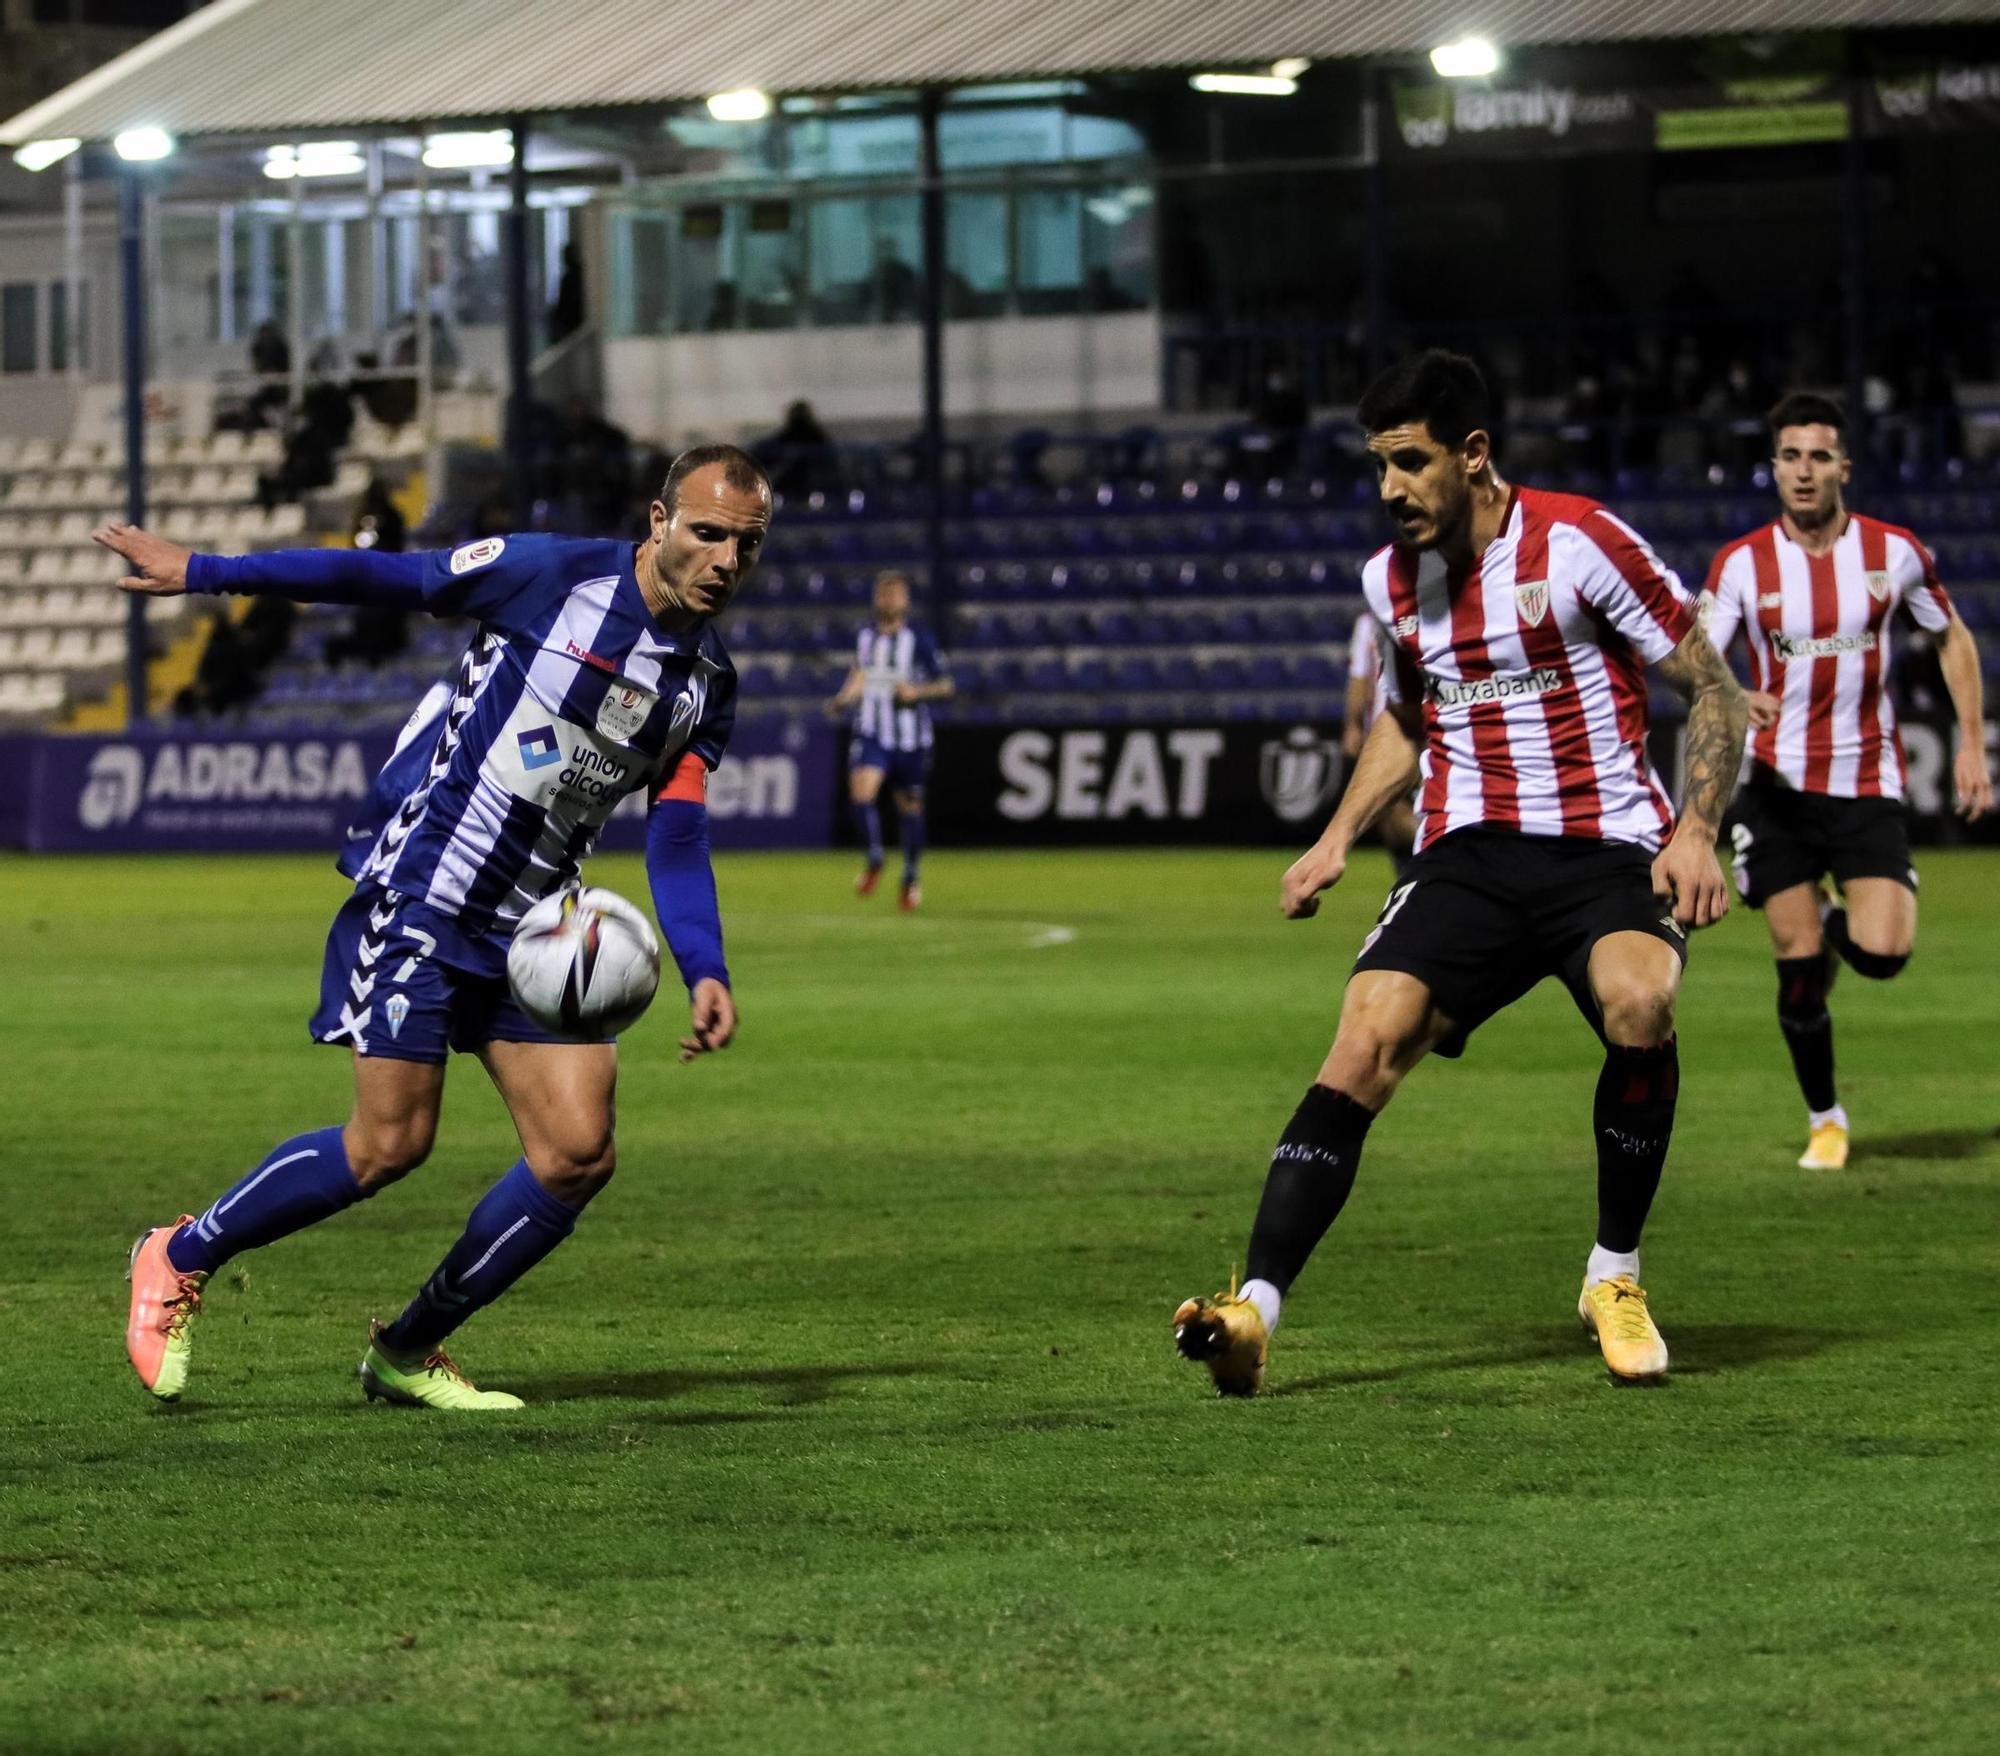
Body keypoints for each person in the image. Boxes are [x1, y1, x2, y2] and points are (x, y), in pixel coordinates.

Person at [99, 444, 772, 1411]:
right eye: (707, 533)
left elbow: (677, 830)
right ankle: (178, 1253)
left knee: (578, 1154)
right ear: (659, 520)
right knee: (388, 1145)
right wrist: (208, 571)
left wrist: (705, 965)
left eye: (746, 546)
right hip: (426, 889)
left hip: (538, 929)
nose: (724, 561)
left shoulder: (706, 684)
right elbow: (387, 577)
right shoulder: (553, 574)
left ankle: (407, 1350)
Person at [1172, 350, 1746, 1393]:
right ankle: (1252, 1310)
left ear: (1472, 454)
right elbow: (1405, 713)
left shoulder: (1577, 543)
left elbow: (1714, 688)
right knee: (1361, 1039)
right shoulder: (1389, 580)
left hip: (1603, 850)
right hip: (1467, 855)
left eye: (1408, 462)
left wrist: (1696, 828)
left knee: (1638, 1001)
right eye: (1377, 466)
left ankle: (1610, 1276)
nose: (1389, 490)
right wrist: (1337, 833)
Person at [1703, 392, 1990, 1170]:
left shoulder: (1894, 552)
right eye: (1790, 456)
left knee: (1885, 954)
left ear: (1843, 468)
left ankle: (1834, 915)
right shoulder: (1740, 564)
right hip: (1775, 788)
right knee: (1799, 971)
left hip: (1865, 780)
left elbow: (1950, 633)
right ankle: (1826, 1118)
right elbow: (1692, 659)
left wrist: (1970, 745)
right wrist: (1730, 694)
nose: (1804, 471)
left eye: (1819, 456)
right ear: (1774, 469)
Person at [825, 570, 953, 911]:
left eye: (895, 593)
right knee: (862, 792)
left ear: (906, 600)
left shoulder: (920, 640)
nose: (888, 599)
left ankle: (911, 875)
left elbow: (946, 684)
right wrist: (844, 698)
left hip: (911, 739)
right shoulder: (865, 637)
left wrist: (917, 692)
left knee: (910, 807)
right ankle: (875, 855)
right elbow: (860, 673)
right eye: (883, 593)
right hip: (872, 733)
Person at [1340, 608, 1414, 878]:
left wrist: (1352, 726)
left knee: (1393, 810)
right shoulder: (1368, 623)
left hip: (1400, 728)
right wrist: (1353, 725)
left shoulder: (1370, 622)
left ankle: (1438, 850)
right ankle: (1409, 878)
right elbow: (1360, 677)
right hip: (1386, 729)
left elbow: (1358, 678)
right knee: (1389, 816)